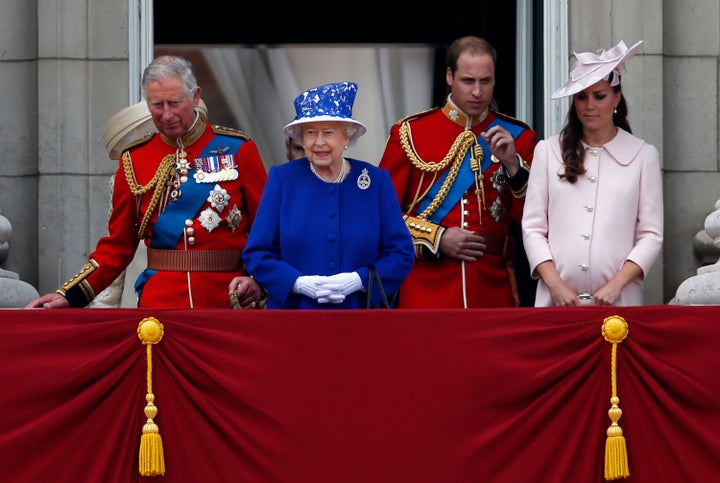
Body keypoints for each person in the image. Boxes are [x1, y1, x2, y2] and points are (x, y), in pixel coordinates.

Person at [26, 55, 268, 309]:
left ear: (195, 97)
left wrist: (256, 280)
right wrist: (69, 294)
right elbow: (117, 246)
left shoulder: (238, 149)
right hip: (160, 301)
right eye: (157, 105)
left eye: (175, 103)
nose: (167, 114)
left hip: (226, 299)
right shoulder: (134, 158)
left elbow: (268, 231)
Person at [378, 35, 538, 308]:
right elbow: (380, 215)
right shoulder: (410, 133)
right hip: (425, 289)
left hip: (492, 290)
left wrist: (513, 165)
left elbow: (535, 220)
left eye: (485, 81)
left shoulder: (519, 138)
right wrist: (437, 237)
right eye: (468, 81)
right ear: (450, 76)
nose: (477, 92)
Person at [241, 81, 415, 309]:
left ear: (347, 137)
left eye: (329, 133)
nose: (319, 142)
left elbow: (401, 253)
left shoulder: (375, 182)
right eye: (311, 133)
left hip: (359, 316)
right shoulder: (282, 180)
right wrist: (296, 283)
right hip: (294, 318)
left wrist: (359, 280)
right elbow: (257, 253)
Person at [522, 40, 663, 307]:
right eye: (581, 96)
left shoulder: (643, 155)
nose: (589, 105)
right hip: (556, 302)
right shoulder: (548, 151)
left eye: (599, 96)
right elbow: (532, 227)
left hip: (618, 302)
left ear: (617, 98)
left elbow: (651, 235)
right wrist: (555, 284)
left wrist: (617, 285)